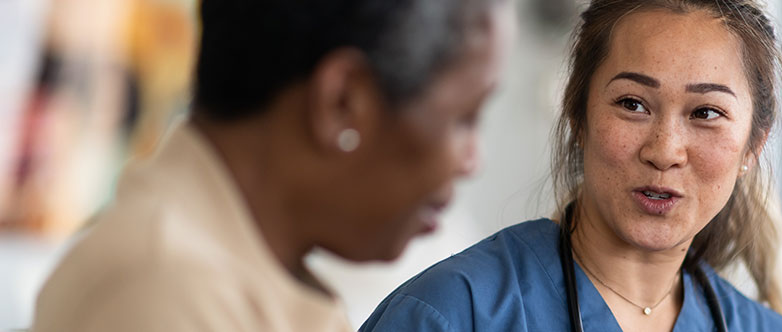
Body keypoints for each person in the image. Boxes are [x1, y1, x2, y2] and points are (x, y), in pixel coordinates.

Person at [32, 0, 512, 330]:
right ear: (343, 102)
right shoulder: (164, 292)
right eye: (464, 119)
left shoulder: (240, 281)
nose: (474, 162)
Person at [361, 0, 782, 331]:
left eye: (706, 113)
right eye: (632, 104)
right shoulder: (453, 313)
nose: (665, 150)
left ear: (754, 145)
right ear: (579, 116)